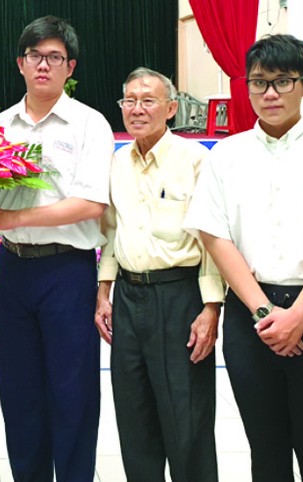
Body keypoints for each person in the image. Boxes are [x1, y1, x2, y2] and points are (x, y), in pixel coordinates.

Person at [182, 34, 303, 481]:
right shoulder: (226, 155)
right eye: (259, 83)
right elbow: (215, 236)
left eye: (283, 82)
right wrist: (265, 312)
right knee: (266, 451)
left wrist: (298, 315)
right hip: (250, 319)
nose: (270, 94)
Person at [0, 16, 114, 481]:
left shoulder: (90, 124)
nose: (44, 65)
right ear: (20, 63)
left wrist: (14, 219)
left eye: (54, 58)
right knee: (19, 390)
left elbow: (90, 204)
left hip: (67, 272)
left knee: (72, 392)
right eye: (35, 56)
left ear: (70, 67)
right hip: (13, 270)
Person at [96, 67, 223, 482]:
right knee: (135, 419)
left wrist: (211, 308)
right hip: (129, 302)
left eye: (147, 100)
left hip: (180, 297)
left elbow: (212, 239)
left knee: (187, 420)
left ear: (171, 108)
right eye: (129, 100)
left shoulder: (196, 159)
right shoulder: (117, 162)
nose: (136, 109)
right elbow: (113, 231)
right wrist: (104, 291)